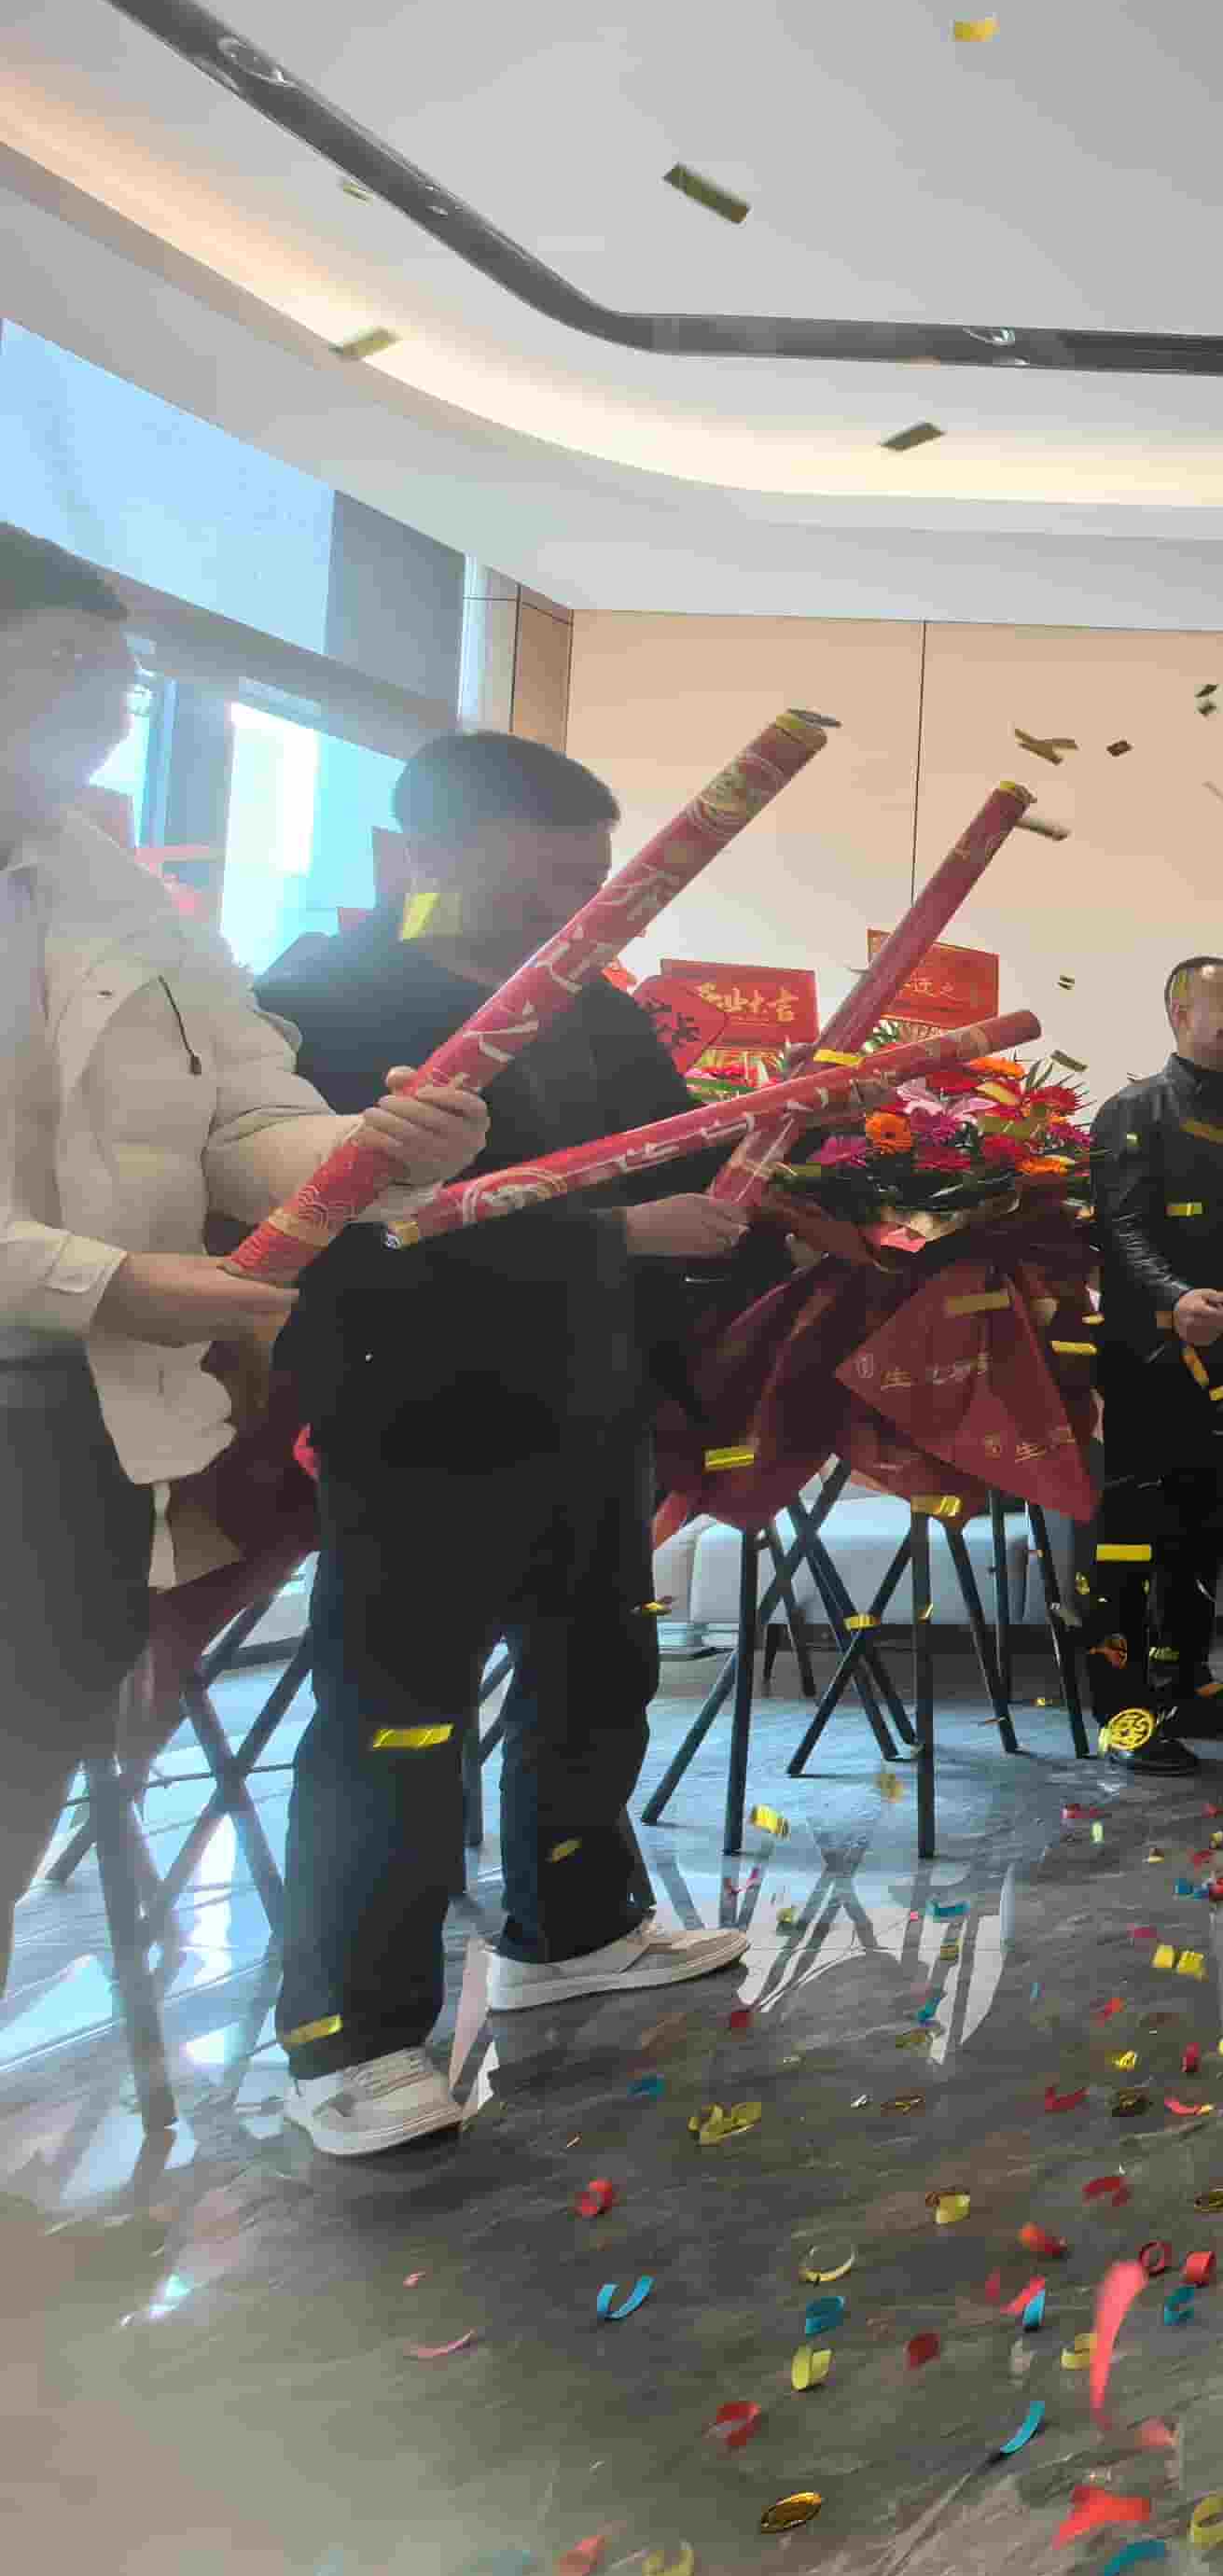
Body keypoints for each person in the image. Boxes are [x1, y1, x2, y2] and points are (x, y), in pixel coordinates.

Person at [0, 529, 490, 2044]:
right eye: (70, 666)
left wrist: (373, 1152)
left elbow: (244, 1114)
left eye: (124, 678)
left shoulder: (108, 884)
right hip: (64, 1346)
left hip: (78, 1421)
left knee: (22, 1766)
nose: (112, 708)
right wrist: (95, 1280)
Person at [261, 731, 755, 2159]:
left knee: (595, 1673)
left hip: (590, 1397)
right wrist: (622, 1235)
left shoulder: (594, 1010)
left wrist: (802, 1157)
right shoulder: (326, 1002)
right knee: (399, 1721)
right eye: (539, 882)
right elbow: (360, 1228)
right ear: (426, 855)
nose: (572, 913)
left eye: (591, 885)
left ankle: (575, 1927)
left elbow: (682, 1158)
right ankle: (351, 2037)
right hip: (418, 1410)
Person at [1083, 955, 1223, 1777]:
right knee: (1133, 1539)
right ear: (1181, 1014)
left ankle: (1188, 1687)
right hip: (1152, 1357)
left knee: (1206, 1532)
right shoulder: (1134, 1109)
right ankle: (1123, 1711)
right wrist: (1174, 1297)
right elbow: (1120, 1228)